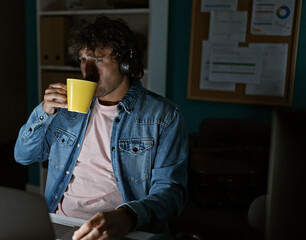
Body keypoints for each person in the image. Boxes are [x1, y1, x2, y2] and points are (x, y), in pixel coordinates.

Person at [14, 16, 188, 240]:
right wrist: (42, 114)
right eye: (82, 59)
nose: (87, 70)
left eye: (97, 59)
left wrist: (128, 216)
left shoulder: (163, 116)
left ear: (126, 64)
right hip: (62, 222)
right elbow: (24, 156)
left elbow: (171, 193)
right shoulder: (66, 109)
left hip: (118, 229)